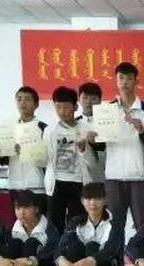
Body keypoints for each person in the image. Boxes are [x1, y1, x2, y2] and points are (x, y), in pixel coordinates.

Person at [103, 62, 144, 232]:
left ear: (136, 81)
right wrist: (92, 139)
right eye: (121, 78)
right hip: (113, 175)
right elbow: (99, 145)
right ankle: (114, 252)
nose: (125, 82)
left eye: (129, 78)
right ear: (116, 81)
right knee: (114, 226)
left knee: (142, 225)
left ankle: (143, 251)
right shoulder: (107, 110)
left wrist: (142, 131)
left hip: (139, 175)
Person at [53, 182, 124, 266]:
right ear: (82, 201)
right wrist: (61, 260)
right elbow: (60, 246)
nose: (92, 203)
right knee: (73, 245)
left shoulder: (115, 223)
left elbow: (112, 250)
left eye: (97, 198)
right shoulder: (76, 222)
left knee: (92, 246)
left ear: (105, 200)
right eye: (88, 199)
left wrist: (91, 260)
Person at [43, 85, 94, 233]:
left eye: (66, 107)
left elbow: (92, 163)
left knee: (77, 223)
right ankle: (55, 248)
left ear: (75, 107)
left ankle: (73, 247)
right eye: (58, 107)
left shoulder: (85, 129)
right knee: (54, 224)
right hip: (56, 182)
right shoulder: (50, 130)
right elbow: (45, 158)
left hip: (78, 182)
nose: (62, 111)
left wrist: (84, 149)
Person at [0, 86, 48, 212]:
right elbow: (3, 161)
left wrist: (28, 150)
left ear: (36, 104)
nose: (23, 103)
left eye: (27, 99)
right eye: (19, 99)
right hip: (15, 185)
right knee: (18, 221)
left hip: (37, 185)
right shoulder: (9, 128)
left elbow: (48, 159)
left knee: (39, 220)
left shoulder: (43, 128)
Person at [77, 82, 107, 185]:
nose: (89, 102)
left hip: (105, 175)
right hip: (81, 178)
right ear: (79, 99)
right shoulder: (74, 123)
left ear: (100, 100)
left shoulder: (107, 122)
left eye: (93, 98)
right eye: (85, 98)